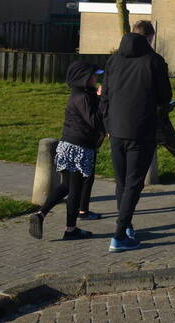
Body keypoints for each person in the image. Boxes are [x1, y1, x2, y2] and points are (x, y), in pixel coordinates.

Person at [100, 20, 172, 252]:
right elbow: (164, 96)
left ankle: (126, 226)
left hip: (116, 130)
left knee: (121, 182)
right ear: (150, 37)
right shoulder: (154, 61)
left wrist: (108, 124)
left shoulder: (113, 60)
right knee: (134, 183)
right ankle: (119, 234)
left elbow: (105, 97)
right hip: (141, 129)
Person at [29, 61, 105, 240]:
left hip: (68, 145)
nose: (96, 78)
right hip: (78, 147)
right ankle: (70, 230)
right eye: (93, 75)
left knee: (66, 186)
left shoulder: (81, 95)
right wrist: (101, 99)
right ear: (83, 78)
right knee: (75, 189)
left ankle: (40, 214)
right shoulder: (82, 97)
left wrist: (96, 96)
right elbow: (94, 121)